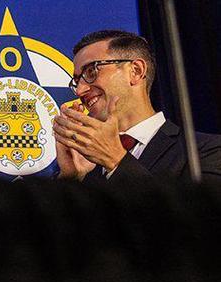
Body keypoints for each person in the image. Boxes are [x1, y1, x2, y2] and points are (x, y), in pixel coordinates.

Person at [53, 29, 221, 183]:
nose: (80, 90)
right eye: (77, 81)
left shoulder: (205, 151)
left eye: (91, 72)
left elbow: (196, 214)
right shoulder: (85, 162)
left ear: (136, 71)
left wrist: (115, 160)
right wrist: (71, 178)